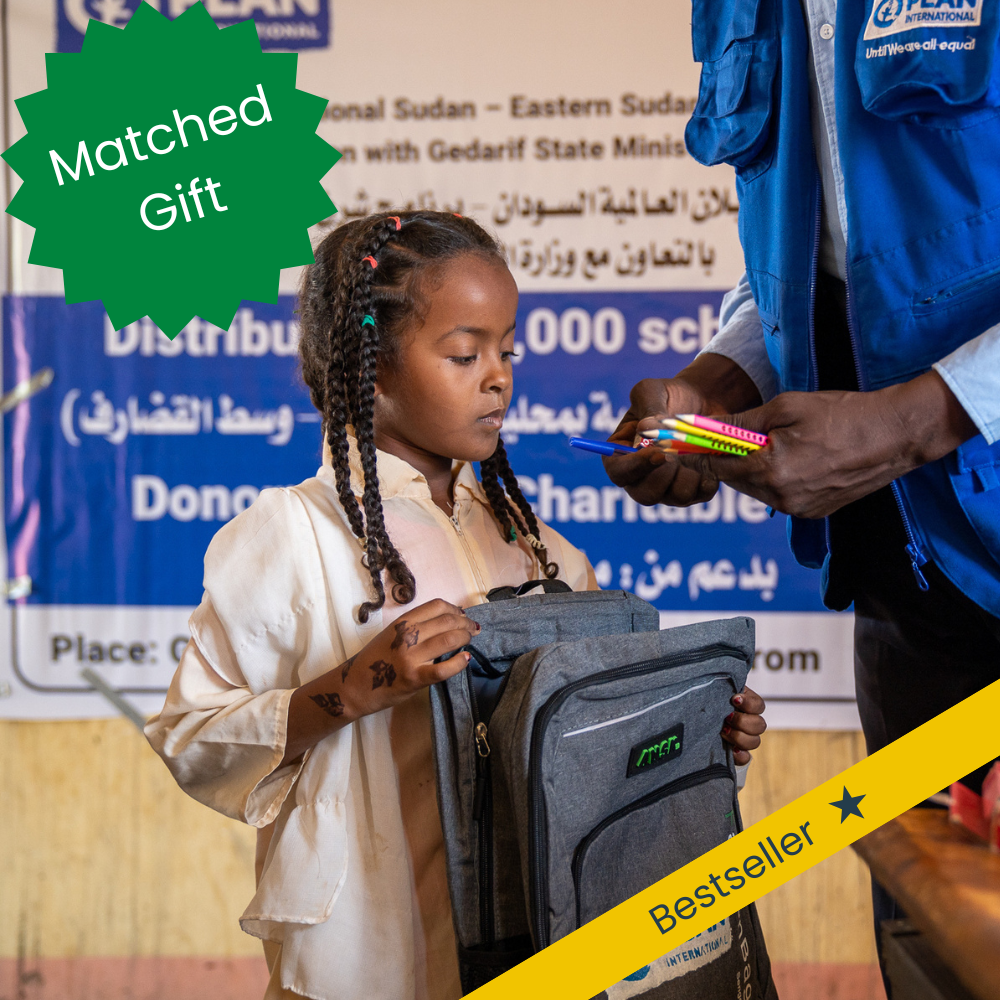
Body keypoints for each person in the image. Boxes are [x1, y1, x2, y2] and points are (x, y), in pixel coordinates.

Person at [144, 211, 768, 1000]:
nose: (498, 377)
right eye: (466, 354)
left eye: (508, 351)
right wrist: (358, 686)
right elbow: (192, 737)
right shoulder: (293, 536)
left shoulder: (538, 548)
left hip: (528, 941)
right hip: (370, 954)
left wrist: (697, 734)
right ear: (371, 369)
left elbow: (585, 749)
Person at [602, 0, 1000, 976]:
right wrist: (720, 382)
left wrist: (914, 420)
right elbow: (805, 257)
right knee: (935, 954)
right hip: (907, 593)